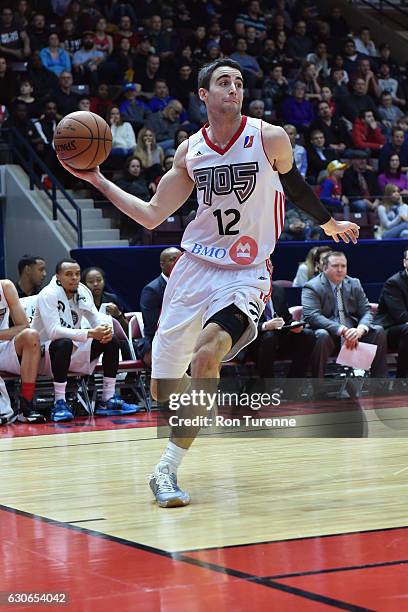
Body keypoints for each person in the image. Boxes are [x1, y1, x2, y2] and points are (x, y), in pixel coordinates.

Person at [58, 57, 359, 508]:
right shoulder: (190, 152)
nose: (234, 89)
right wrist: (97, 178)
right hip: (193, 267)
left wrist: (328, 222)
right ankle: (200, 394)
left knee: (206, 353)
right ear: (204, 95)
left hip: (246, 270)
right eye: (223, 82)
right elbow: (151, 214)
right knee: (164, 390)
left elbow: (294, 186)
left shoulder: (269, 136)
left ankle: (166, 469)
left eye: (239, 82)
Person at [32, 259, 139, 422]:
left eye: (76, 274)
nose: (74, 278)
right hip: (44, 353)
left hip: (74, 348)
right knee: (63, 342)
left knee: (111, 341)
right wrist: (90, 333)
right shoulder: (48, 294)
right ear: (58, 277)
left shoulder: (82, 290)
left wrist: (104, 330)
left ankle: (107, 400)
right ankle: (59, 402)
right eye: (69, 274)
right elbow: (54, 332)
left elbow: (94, 317)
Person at [302, 251, 387, 379]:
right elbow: (312, 316)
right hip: (329, 333)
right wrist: (341, 330)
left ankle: (380, 383)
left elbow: (366, 311)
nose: (340, 269)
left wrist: (360, 329)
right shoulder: (312, 287)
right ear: (324, 268)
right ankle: (317, 386)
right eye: (336, 266)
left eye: (343, 266)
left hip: (353, 332)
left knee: (378, 331)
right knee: (321, 335)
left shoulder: (354, 283)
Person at [243, 265, 316, 379]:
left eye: (269, 268)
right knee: (270, 336)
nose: (266, 271)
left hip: (279, 338)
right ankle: (267, 386)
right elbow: (242, 325)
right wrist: (266, 326)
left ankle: (293, 383)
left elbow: (287, 318)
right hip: (254, 342)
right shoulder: (243, 292)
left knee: (307, 335)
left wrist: (293, 324)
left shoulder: (277, 290)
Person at [0, 278, 44, 423]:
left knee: (31, 336)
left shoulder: (5, 287)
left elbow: (24, 326)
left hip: (3, 347)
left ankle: (26, 406)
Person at [139, 248, 182, 367]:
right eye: (173, 260)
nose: (178, 263)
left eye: (181, 259)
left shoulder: (190, 285)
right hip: (157, 341)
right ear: (162, 264)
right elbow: (155, 326)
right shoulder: (152, 290)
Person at [375, 249, 408, 377]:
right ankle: (402, 377)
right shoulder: (394, 283)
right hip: (389, 330)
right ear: (405, 262)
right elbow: (401, 316)